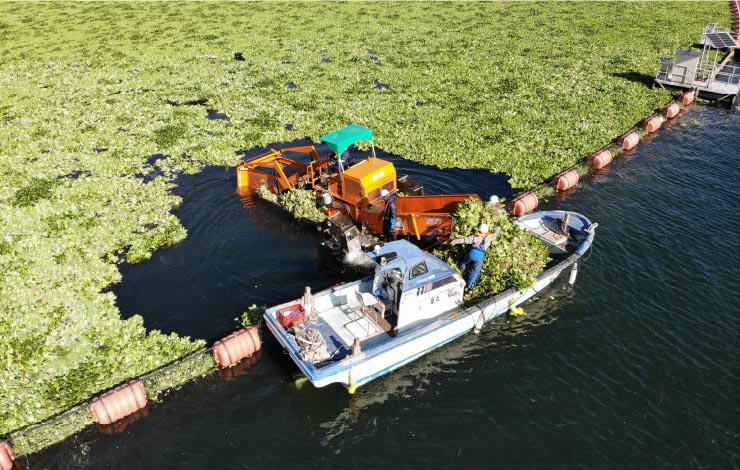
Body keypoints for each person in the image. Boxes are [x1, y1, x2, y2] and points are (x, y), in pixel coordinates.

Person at [449, 223, 501, 289]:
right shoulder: (489, 237)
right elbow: (494, 236)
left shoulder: (475, 236)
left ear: (479, 230)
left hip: (472, 253)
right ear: (487, 230)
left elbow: (465, 240)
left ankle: (460, 273)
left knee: (463, 262)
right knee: (474, 272)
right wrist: (498, 230)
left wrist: (455, 241)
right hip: (480, 256)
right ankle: (468, 287)